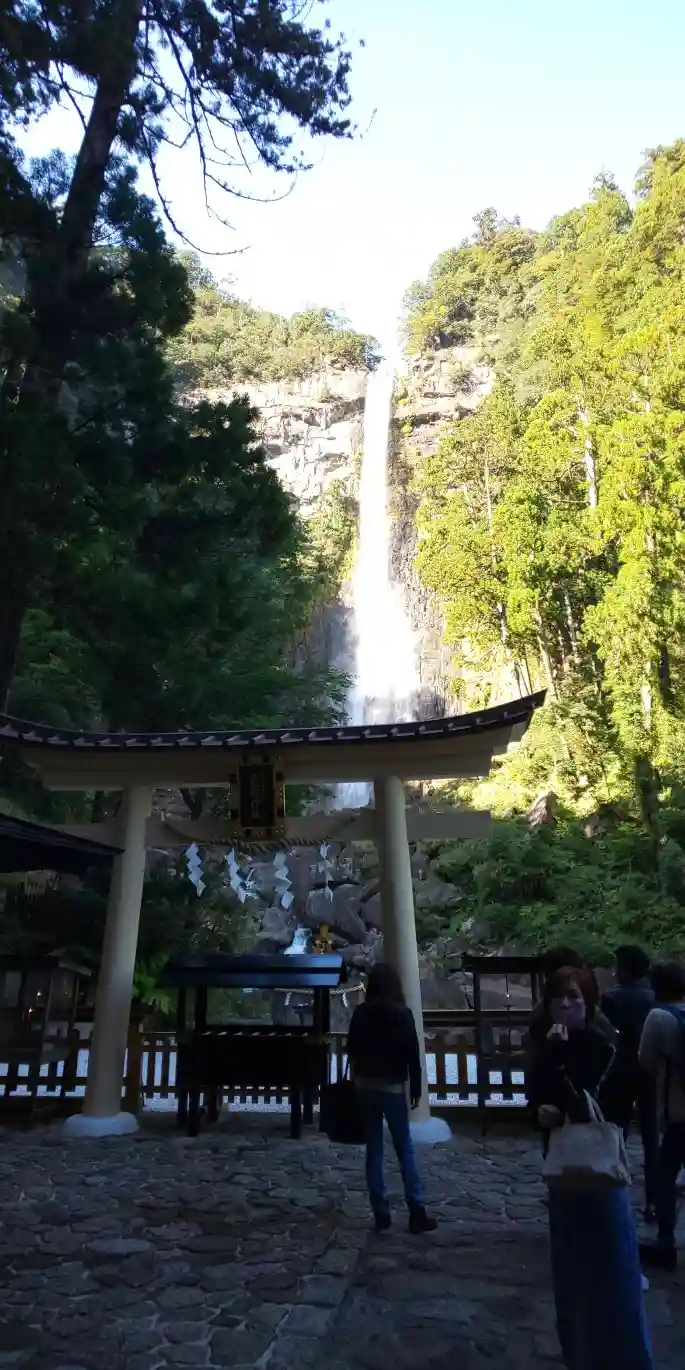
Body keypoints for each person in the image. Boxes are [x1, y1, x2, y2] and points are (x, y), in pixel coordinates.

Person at [527, 965, 653, 1370]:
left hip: (601, 1169)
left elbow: (592, 1105)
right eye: (557, 998)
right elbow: (537, 1097)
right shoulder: (546, 1047)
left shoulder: (604, 1047)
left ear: (589, 1002)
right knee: (570, 1277)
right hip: (562, 1167)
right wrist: (540, 1112)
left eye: (574, 997)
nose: (565, 1005)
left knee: (613, 1272)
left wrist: (558, 1060)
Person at [346, 962, 436, 1235]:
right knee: (404, 1148)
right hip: (393, 1088)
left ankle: (381, 1213)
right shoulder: (402, 1013)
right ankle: (416, 1211)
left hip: (365, 1087)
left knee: (374, 1150)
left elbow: (352, 1050)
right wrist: (416, 1089)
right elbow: (412, 1054)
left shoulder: (361, 1013)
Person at [600, 945, 658, 1221]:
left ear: (623, 969)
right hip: (651, 1070)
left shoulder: (611, 998)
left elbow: (605, 1035)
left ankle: (613, 1195)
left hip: (620, 1069)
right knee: (651, 1137)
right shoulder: (654, 998)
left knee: (615, 1134)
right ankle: (653, 1200)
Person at [638, 959, 685, 1272]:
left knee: (666, 1178)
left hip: (678, 1113)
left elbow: (645, 1060)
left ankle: (665, 1242)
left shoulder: (659, 1017)